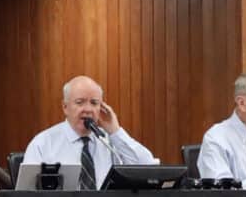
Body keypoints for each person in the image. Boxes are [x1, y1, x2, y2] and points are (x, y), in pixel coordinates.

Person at [22, 75, 155, 189]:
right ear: (65, 107)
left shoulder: (109, 142)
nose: (88, 109)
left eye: (94, 103)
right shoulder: (44, 143)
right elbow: (27, 192)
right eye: (80, 102)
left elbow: (148, 168)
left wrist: (115, 131)